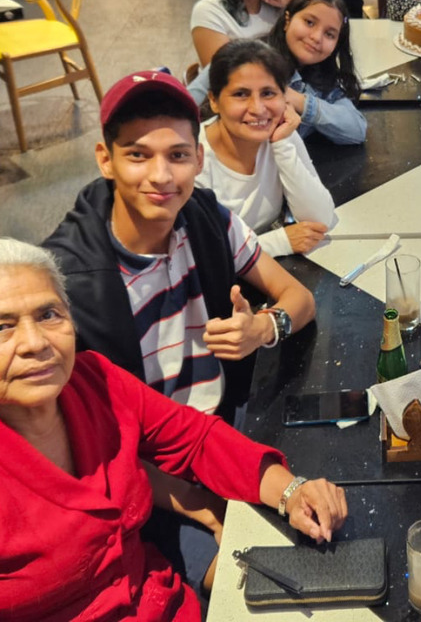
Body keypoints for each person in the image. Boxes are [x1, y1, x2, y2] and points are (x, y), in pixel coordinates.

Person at [0, 238, 347, 622]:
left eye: (49, 314)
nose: (35, 342)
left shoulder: (95, 379)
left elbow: (194, 439)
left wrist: (292, 492)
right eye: (3, 326)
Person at [43, 70, 315, 421]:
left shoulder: (208, 219)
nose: (161, 176)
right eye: (138, 155)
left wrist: (262, 329)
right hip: (141, 448)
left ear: (199, 159)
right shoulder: (62, 278)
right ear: (106, 160)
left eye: (178, 155)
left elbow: (300, 298)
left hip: (220, 423)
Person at [197, 39, 337, 257]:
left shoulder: (279, 133)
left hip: (260, 266)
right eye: (241, 94)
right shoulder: (190, 158)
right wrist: (278, 242)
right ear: (214, 100)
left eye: (268, 93)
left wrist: (281, 144)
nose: (258, 109)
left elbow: (320, 219)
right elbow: (202, 257)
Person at [188, 0, 367, 146]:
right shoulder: (242, 56)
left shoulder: (324, 80)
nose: (316, 37)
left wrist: (300, 101)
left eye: (329, 34)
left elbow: (357, 129)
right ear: (287, 20)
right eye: (309, 22)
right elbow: (184, 103)